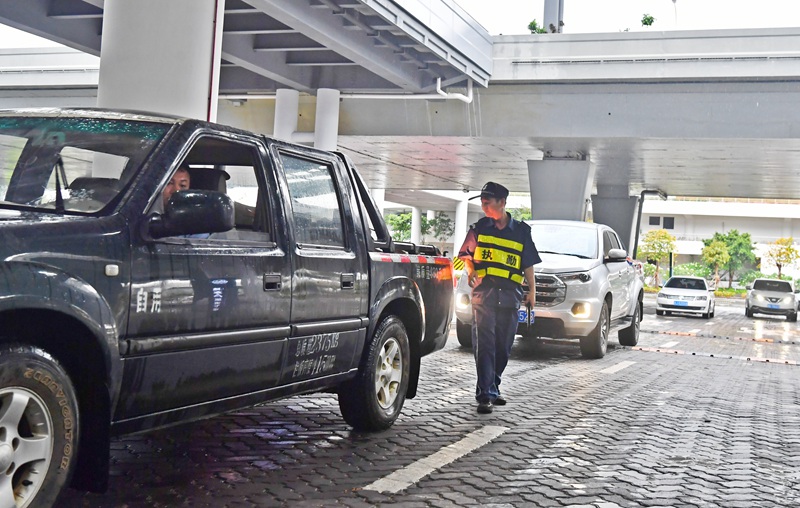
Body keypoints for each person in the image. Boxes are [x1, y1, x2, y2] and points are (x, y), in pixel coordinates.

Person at [458, 181, 541, 414]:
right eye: (482, 203)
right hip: (484, 295)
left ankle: (492, 386)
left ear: (502, 203)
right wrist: (471, 270)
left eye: (488, 203)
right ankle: (485, 394)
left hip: (511, 296)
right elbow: (465, 256)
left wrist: (532, 291)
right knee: (485, 345)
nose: (484, 207)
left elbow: (528, 264)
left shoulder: (522, 232)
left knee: (503, 347)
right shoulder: (479, 228)